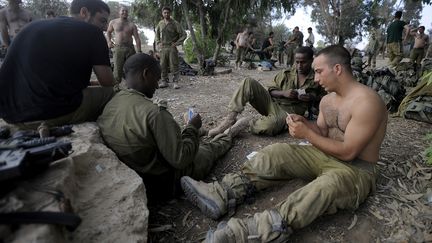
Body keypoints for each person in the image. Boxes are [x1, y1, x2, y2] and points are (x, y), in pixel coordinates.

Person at [180, 45, 388, 242]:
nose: (315, 78)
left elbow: (349, 152)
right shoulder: (328, 100)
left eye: (318, 71)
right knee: (277, 151)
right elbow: (323, 131)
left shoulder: (367, 102)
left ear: (337, 69)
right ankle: (223, 193)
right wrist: (305, 123)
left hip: (356, 170)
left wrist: (307, 133)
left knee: (324, 188)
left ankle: (254, 232)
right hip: (325, 155)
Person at [97, 53, 250, 201]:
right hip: (165, 182)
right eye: (156, 79)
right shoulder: (155, 113)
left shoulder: (113, 101)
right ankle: (229, 134)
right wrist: (192, 127)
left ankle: (206, 132)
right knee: (208, 149)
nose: (157, 85)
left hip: (140, 169)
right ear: (146, 73)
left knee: (188, 138)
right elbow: (181, 159)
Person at [0, 0, 114, 131]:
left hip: (10, 115)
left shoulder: (32, 26)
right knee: (111, 92)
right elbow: (107, 82)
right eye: (102, 20)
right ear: (84, 12)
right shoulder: (93, 32)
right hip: (48, 114)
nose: (105, 28)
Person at [208, 46, 325, 137]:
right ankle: (229, 120)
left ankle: (247, 123)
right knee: (248, 82)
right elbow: (271, 91)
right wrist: (284, 93)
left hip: (289, 113)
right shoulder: (286, 73)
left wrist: (311, 98)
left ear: (311, 61)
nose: (299, 65)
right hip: (272, 104)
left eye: (303, 62)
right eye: (297, 62)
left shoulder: (318, 78)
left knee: (272, 125)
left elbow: (324, 99)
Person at [106, 6, 142, 85]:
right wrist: (109, 41)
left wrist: (139, 51)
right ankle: (115, 89)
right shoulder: (113, 22)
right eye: (123, 11)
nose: (124, 12)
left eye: (126, 11)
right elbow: (108, 32)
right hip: (118, 49)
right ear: (119, 12)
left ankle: (130, 88)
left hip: (130, 49)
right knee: (117, 70)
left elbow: (137, 39)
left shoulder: (132, 25)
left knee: (131, 68)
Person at [155, 6, 186, 89]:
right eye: (164, 12)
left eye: (168, 12)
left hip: (171, 47)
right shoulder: (160, 23)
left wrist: (177, 43)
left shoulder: (175, 23)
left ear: (170, 13)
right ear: (162, 14)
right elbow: (157, 35)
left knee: (174, 65)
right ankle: (164, 81)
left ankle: (176, 82)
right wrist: (158, 42)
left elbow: (183, 34)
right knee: (162, 65)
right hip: (163, 48)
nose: (166, 14)